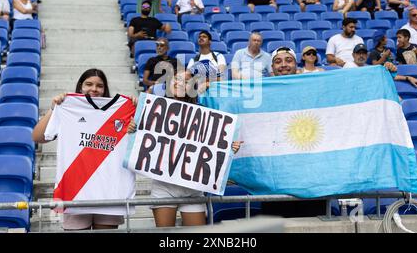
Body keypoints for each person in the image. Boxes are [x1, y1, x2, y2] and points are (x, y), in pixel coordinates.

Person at [131, 69, 242, 227]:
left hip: (193, 187)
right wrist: (132, 128)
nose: (179, 83)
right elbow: (141, 135)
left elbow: (214, 143)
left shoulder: (204, 112)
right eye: (176, 78)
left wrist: (229, 148)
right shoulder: (155, 108)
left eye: (185, 81)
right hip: (164, 186)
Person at [32, 69, 136, 231]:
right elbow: (37, 136)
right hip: (74, 192)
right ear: (80, 86)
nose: (94, 89)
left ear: (104, 89)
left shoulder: (123, 110)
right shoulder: (68, 107)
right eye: (89, 84)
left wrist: (135, 118)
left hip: (109, 193)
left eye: (99, 86)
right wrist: (55, 108)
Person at [261, 46, 327, 217]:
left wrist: (386, 72)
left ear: (296, 65)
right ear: (272, 69)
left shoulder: (312, 90)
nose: (283, 65)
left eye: (288, 60)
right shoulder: (260, 93)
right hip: (275, 178)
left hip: (311, 178)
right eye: (278, 61)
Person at [343, 44, 417, 88]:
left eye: (363, 53)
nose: (361, 56)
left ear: (367, 56)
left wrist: (408, 77)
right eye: (358, 53)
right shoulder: (349, 65)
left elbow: (387, 76)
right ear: (353, 55)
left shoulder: (368, 68)